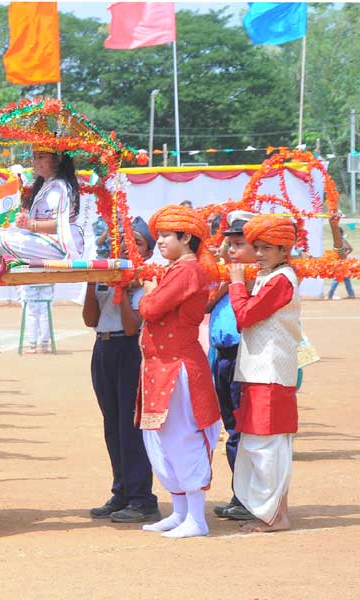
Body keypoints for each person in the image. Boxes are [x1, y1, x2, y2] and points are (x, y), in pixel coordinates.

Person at [138, 204, 221, 539]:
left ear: (186, 238)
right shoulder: (176, 269)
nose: (158, 242)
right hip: (161, 366)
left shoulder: (187, 271)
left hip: (178, 368)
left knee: (182, 438)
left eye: (165, 236)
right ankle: (181, 512)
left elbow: (151, 307)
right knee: (162, 441)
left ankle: (196, 518)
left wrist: (147, 292)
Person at [82, 217, 159, 523]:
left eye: (138, 242)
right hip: (103, 347)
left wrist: (124, 292)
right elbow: (90, 319)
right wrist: (90, 281)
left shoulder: (149, 279)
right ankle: (121, 492)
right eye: (125, 241)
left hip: (130, 350)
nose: (129, 246)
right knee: (112, 424)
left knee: (131, 426)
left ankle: (142, 498)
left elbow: (131, 327)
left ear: (149, 251)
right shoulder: (107, 272)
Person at [228, 215, 301, 533]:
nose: (257, 254)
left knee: (266, 447)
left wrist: (234, 283)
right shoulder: (271, 275)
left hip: (269, 373)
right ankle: (274, 514)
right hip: (261, 372)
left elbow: (245, 314)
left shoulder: (281, 279)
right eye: (256, 247)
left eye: (266, 248)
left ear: (284, 250)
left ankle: (275, 516)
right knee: (264, 445)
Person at [205, 210, 258, 520]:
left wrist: (231, 280)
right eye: (229, 245)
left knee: (242, 429)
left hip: (242, 354)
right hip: (222, 355)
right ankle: (241, 495)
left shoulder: (255, 277)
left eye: (238, 244)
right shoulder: (229, 276)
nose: (231, 251)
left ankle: (248, 498)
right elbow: (206, 305)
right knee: (232, 428)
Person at [0, 139, 84, 262]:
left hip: (62, 244)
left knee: (1, 241)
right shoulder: (45, 185)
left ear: (58, 160)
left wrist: (30, 225)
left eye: (41, 157)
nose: (35, 162)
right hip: (45, 240)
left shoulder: (60, 187)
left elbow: (60, 226)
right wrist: (25, 222)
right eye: (34, 157)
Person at [327, 227, 354, 300]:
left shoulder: (341, 240)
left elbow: (350, 248)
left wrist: (344, 254)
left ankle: (330, 295)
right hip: (341, 262)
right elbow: (350, 249)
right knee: (346, 279)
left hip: (341, 262)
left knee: (336, 279)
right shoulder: (340, 240)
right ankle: (351, 294)